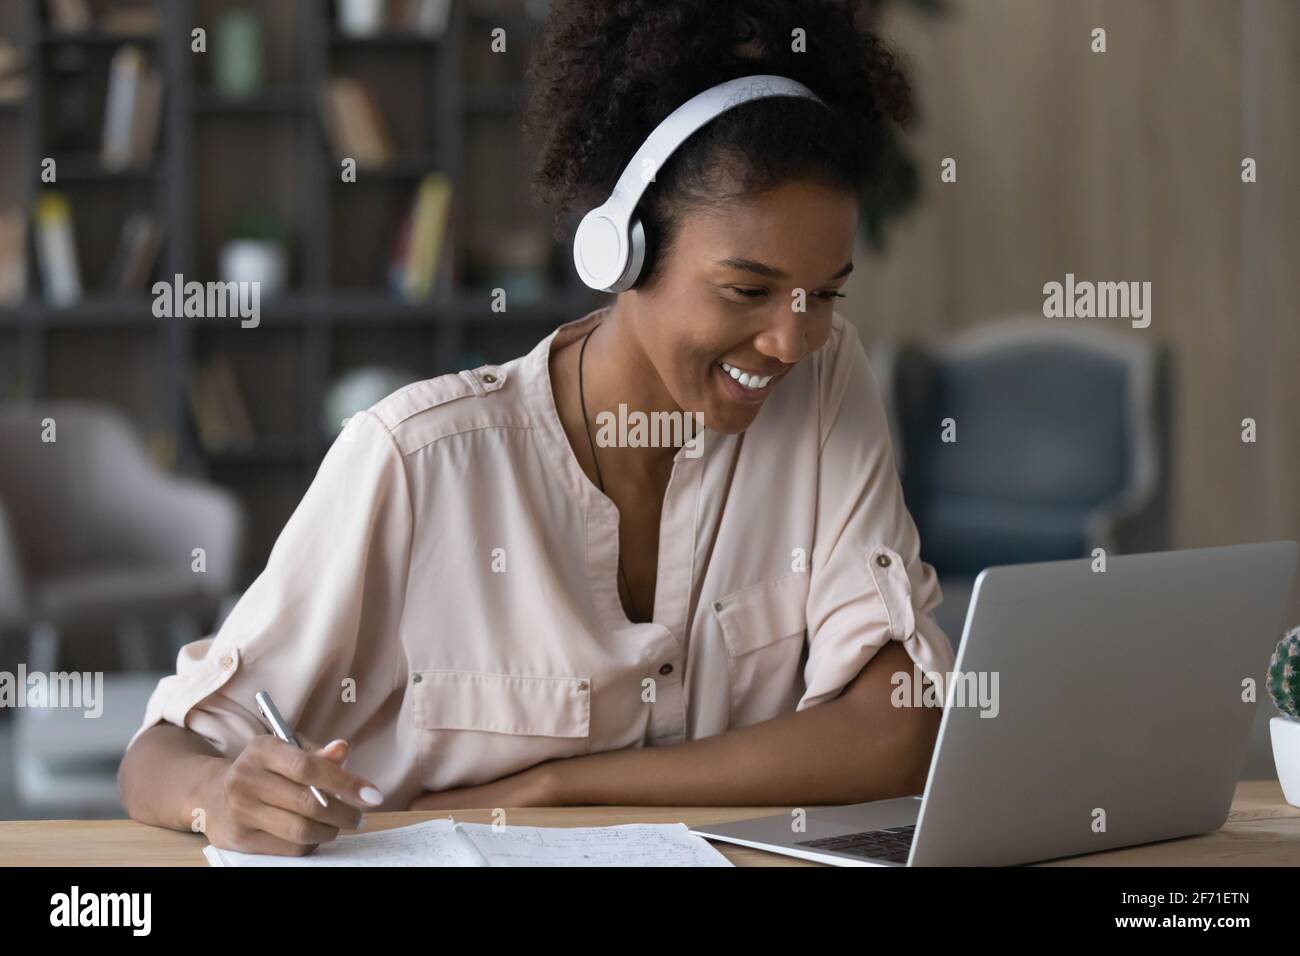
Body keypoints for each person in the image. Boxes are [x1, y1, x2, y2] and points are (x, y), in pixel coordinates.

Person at [118, 0, 956, 857]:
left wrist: (558, 783)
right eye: (747, 291)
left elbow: (895, 732)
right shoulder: (416, 460)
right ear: (618, 253)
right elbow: (158, 756)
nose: (791, 337)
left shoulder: (821, 380)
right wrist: (220, 792)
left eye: (826, 292)